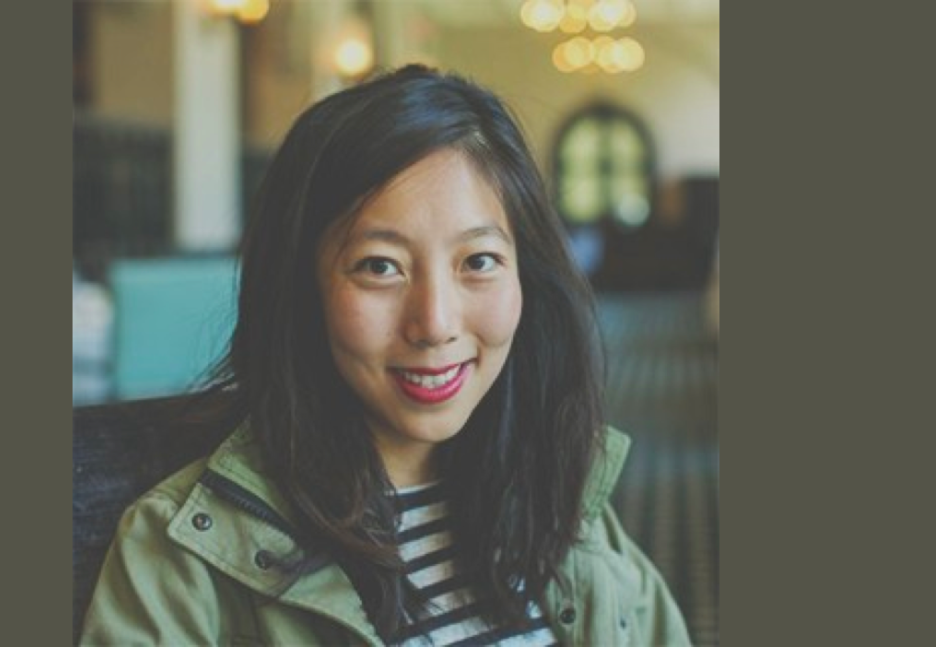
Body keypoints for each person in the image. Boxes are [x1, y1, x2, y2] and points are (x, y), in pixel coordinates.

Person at [80, 65, 691, 646]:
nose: (435, 324)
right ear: (301, 287)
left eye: (478, 261)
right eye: (380, 267)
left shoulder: (560, 497)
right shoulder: (178, 561)